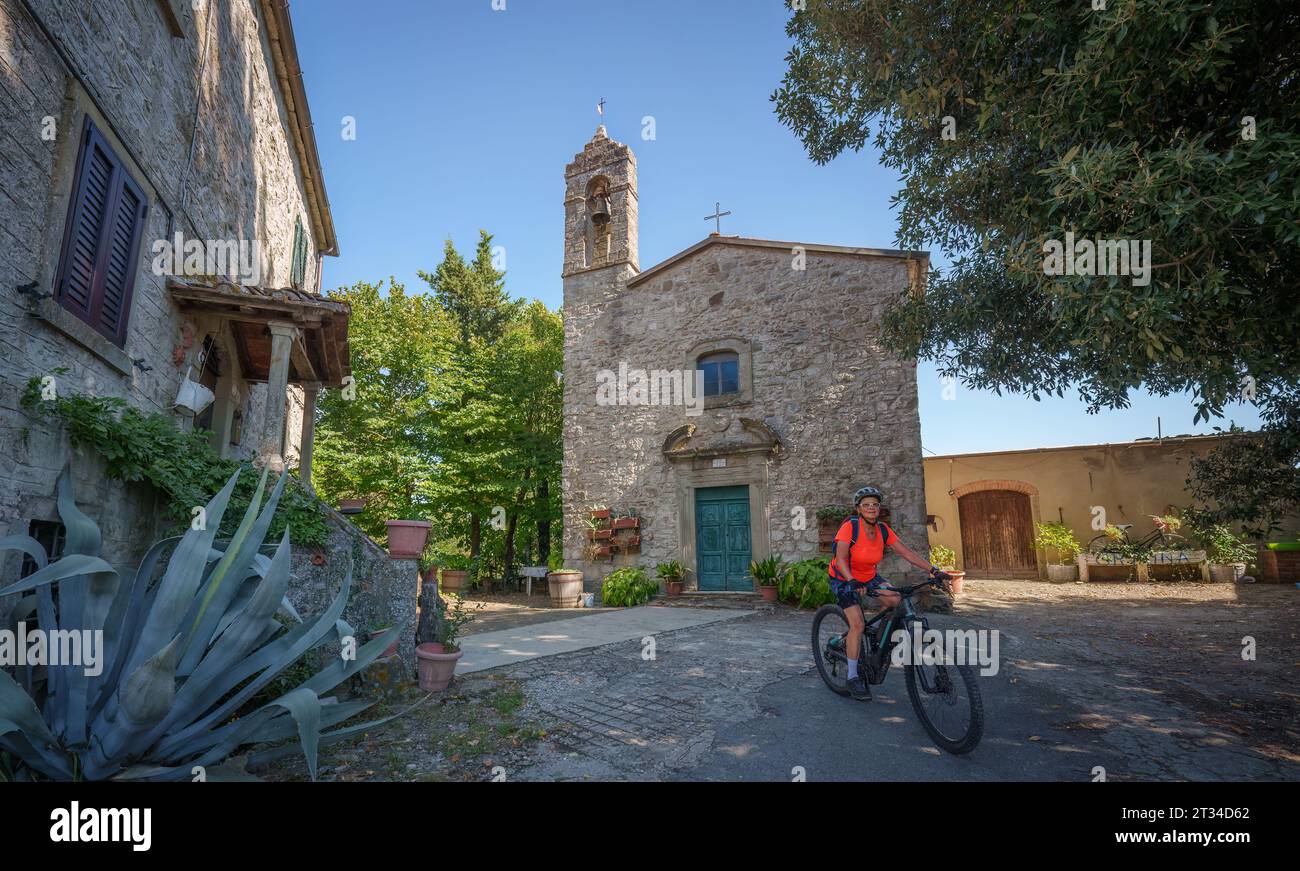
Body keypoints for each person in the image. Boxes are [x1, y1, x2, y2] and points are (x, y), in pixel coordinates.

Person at [829, 486, 950, 700]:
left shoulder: (883, 530)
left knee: (895, 599)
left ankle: (878, 635)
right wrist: (852, 580)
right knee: (857, 623)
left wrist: (933, 570)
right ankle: (853, 676)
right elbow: (840, 559)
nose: (871, 508)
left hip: (868, 576)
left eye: (875, 505)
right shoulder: (850, 527)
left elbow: (906, 553)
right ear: (858, 509)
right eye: (866, 505)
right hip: (844, 577)